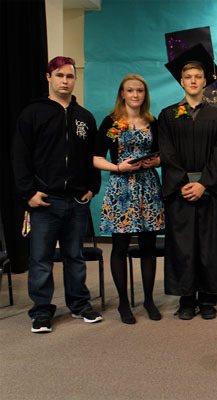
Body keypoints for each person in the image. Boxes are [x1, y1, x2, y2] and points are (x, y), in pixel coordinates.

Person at [12, 56, 102, 333]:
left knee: (75, 256)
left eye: (70, 76)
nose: (65, 81)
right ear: (48, 77)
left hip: (75, 201)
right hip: (44, 200)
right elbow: (19, 155)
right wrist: (28, 192)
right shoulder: (33, 113)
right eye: (60, 75)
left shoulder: (84, 117)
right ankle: (41, 311)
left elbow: (92, 156)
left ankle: (80, 304)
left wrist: (92, 187)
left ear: (75, 79)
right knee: (41, 259)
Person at [158, 43, 217, 320]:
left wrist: (204, 184)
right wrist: (182, 183)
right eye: (188, 77)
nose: (193, 81)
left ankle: (209, 301)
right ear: (181, 81)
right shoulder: (168, 115)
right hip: (180, 192)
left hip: (208, 191)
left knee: (209, 246)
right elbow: (166, 152)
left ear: (206, 81)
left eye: (198, 77)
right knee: (183, 246)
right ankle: (186, 300)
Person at [93, 74, 164, 324]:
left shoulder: (153, 122)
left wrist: (157, 160)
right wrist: (118, 168)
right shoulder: (111, 122)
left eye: (140, 91)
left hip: (148, 186)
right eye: (130, 90)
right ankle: (124, 302)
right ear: (122, 93)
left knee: (148, 246)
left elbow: (164, 153)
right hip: (121, 187)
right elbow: (96, 158)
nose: (135, 95)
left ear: (145, 95)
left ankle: (148, 299)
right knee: (120, 247)